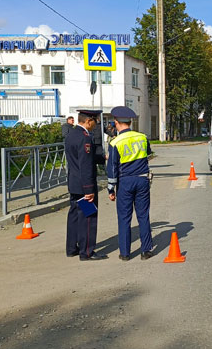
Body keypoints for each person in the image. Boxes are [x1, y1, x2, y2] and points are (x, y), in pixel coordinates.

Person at [106, 106, 154, 262]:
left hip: (125, 182)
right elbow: (148, 153)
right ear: (130, 122)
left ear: (116, 122)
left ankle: (125, 253)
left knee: (124, 218)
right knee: (143, 215)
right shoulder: (142, 137)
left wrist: (111, 189)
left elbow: (112, 168)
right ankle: (146, 250)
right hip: (142, 179)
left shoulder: (115, 142)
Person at [65, 109, 107, 261]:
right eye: (95, 121)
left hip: (74, 183)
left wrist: (102, 157)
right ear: (89, 121)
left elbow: (82, 157)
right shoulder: (85, 138)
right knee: (88, 217)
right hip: (84, 185)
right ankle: (87, 251)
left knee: (74, 216)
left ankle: (71, 248)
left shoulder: (71, 134)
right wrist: (89, 189)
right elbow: (86, 165)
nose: (96, 124)